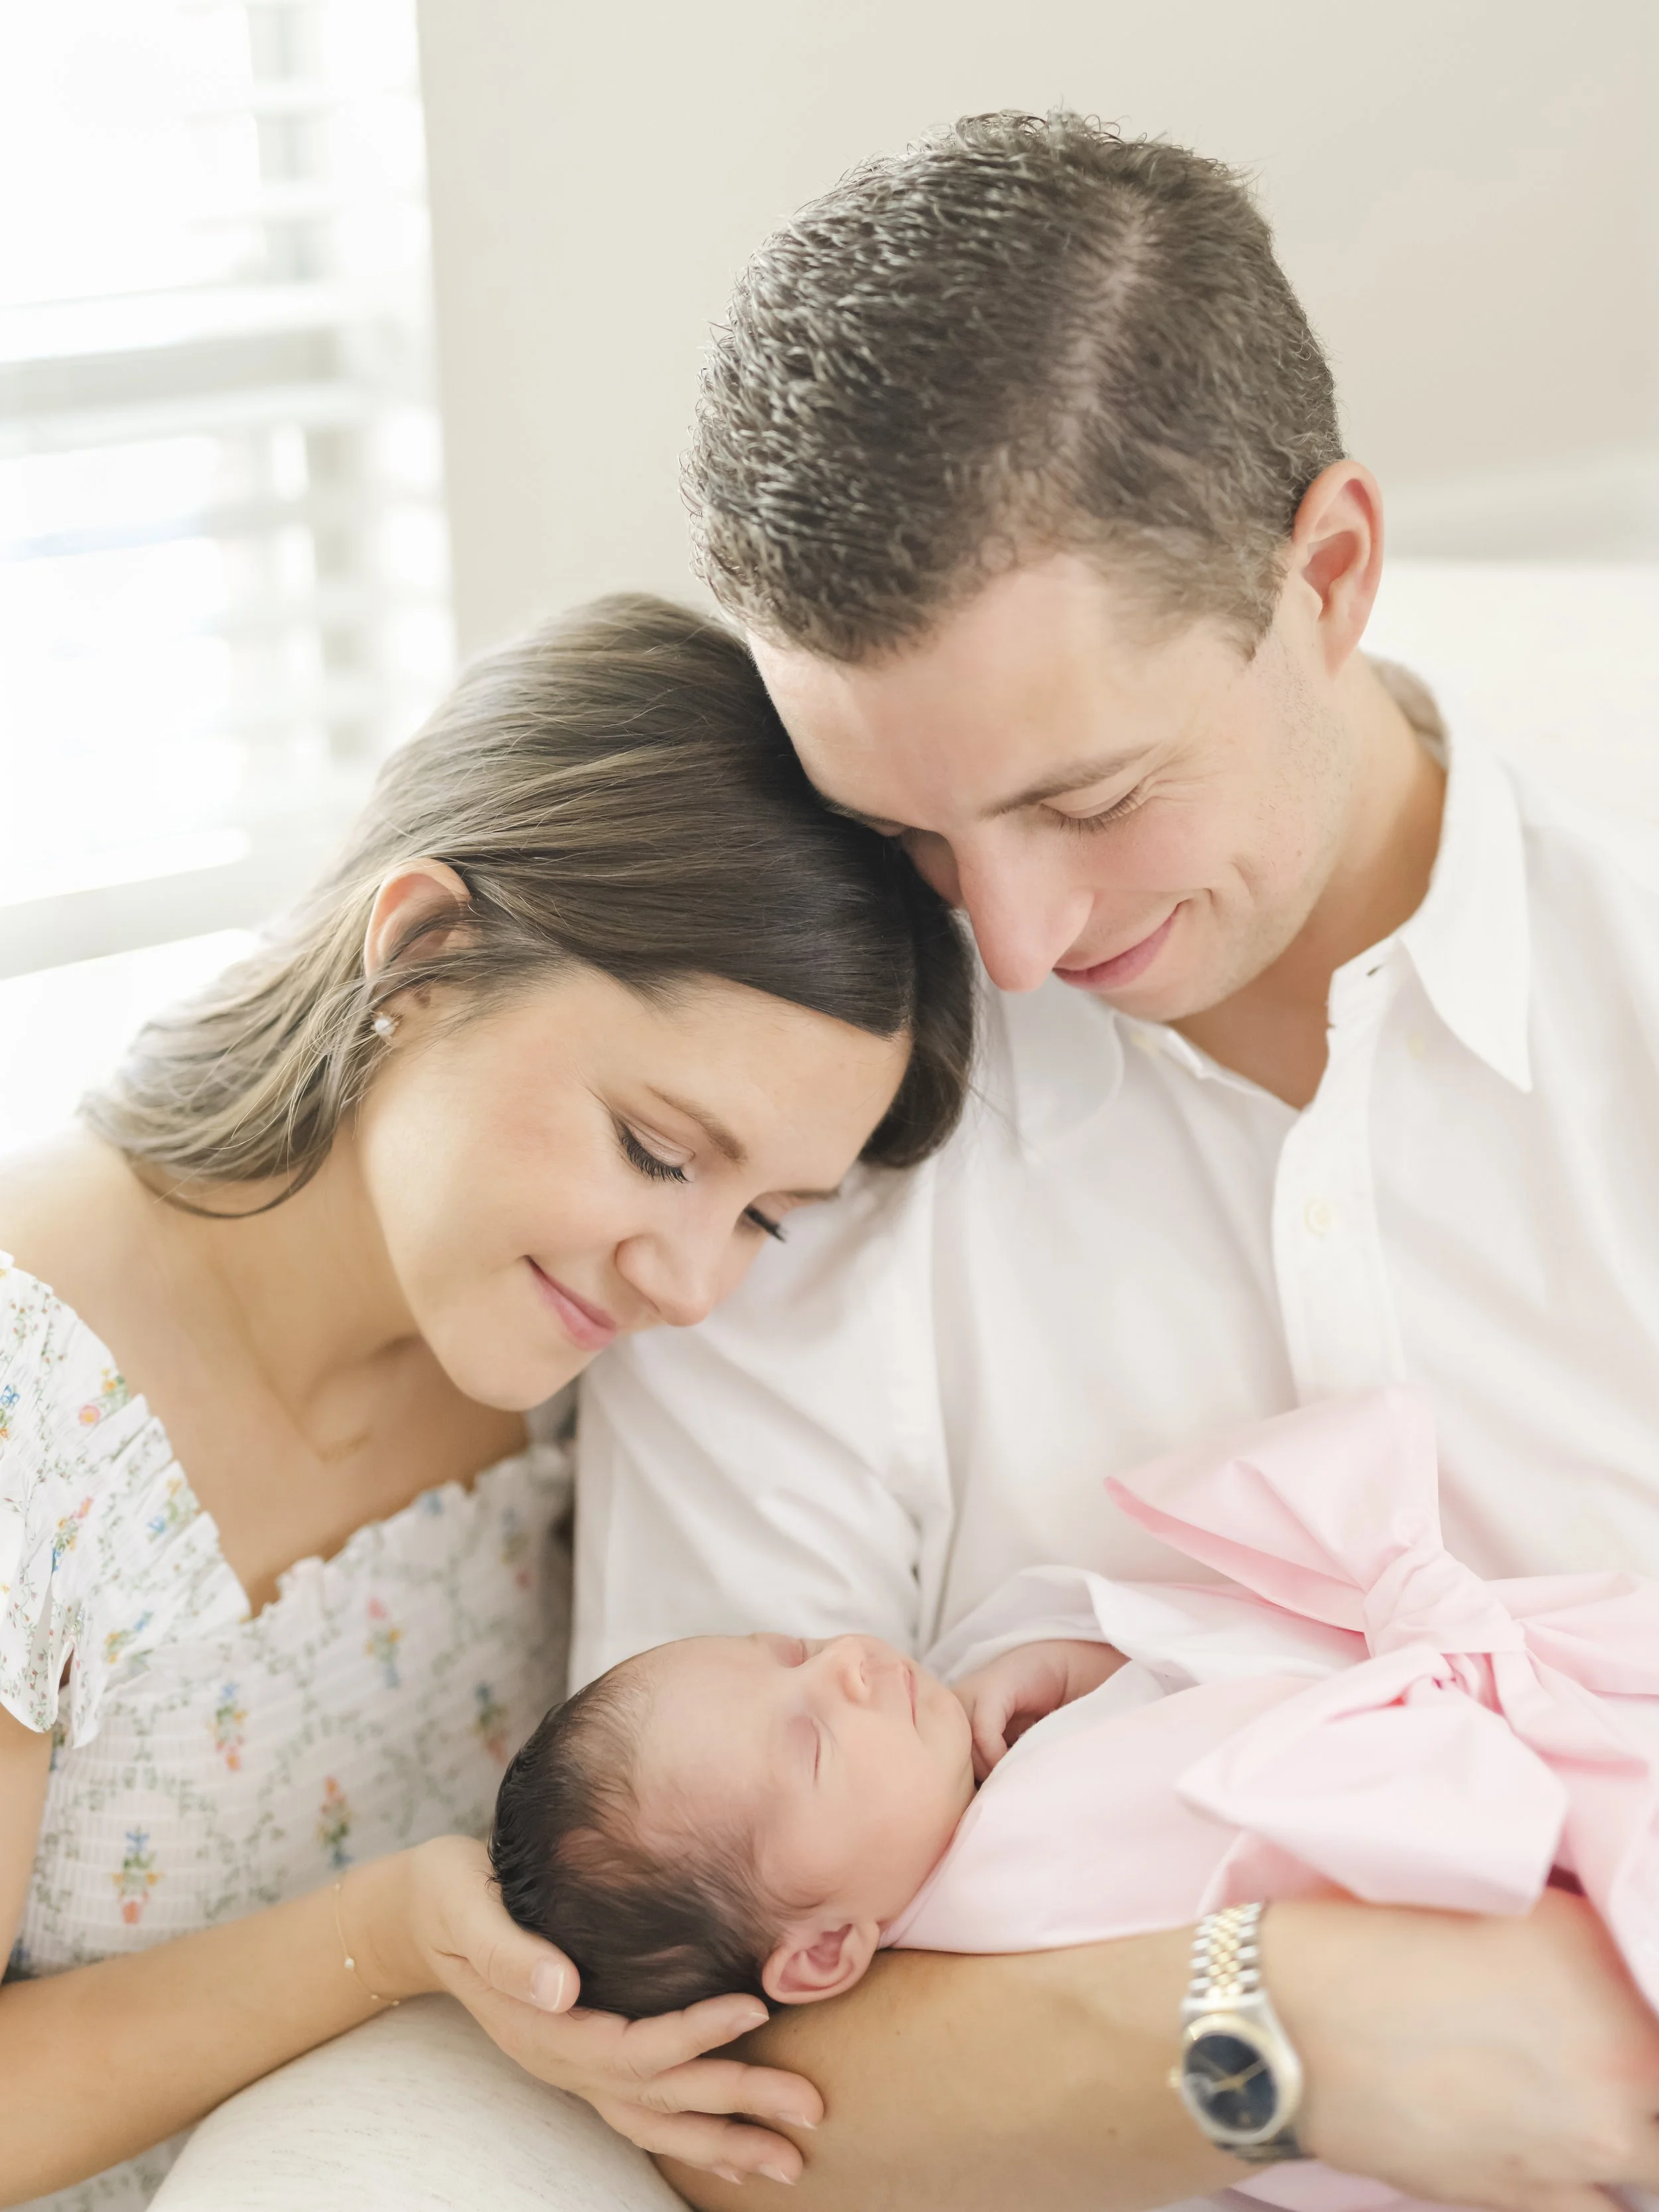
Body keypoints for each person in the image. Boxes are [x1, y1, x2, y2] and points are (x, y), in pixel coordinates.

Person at [141, 110, 1659, 2212]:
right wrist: (1279, 2023)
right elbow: (743, 2073)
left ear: (1323, 577)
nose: (1015, 945)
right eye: (916, 838)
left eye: (1088, 792)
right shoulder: (801, 1162)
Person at [0, 592, 974, 2209]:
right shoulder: (31, 1420)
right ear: (426, 954)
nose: (690, 1283)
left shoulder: (577, 1363)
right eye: (658, 1153)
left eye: (759, 1215)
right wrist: (388, 1940)